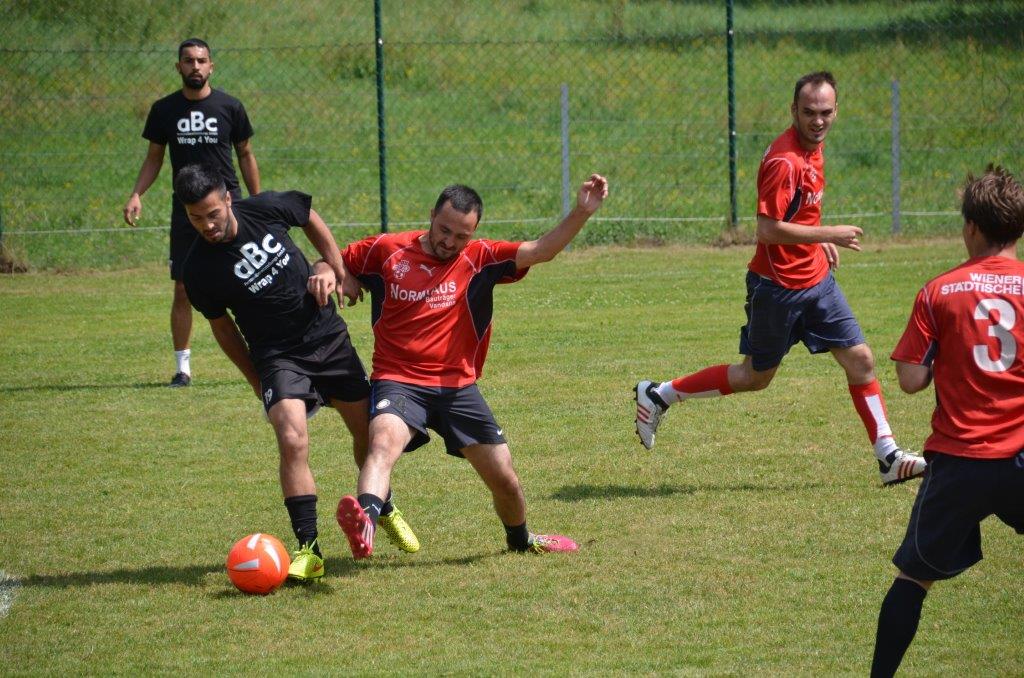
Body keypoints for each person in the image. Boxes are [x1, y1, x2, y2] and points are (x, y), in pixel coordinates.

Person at [634, 71, 926, 485]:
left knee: (861, 360)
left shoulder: (814, 148)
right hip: (777, 289)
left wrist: (816, 243)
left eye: (825, 112)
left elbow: (799, 210)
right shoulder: (784, 161)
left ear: (836, 111)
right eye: (809, 112)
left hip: (817, 283)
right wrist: (828, 235)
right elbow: (767, 230)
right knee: (755, 377)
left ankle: (888, 457)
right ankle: (660, 394)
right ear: (793, 111)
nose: (818, 121)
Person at [333, 175, 609, 559]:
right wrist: (331, 273)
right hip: (399, 380)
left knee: (505, 480)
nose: (449, 242)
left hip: (457, 388)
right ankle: (366, 521)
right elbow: (335, 258)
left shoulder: (480, 257)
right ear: (431, 216)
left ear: (474, 232)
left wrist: (581, 212)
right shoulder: (387, 250)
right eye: (444, 230)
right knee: (381, 444)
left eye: (461, 235)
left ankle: (521, 540)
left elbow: (542, 250)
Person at [172, 164, 419, 581]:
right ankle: (309, 549)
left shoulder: (266, 207)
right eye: (196, 218)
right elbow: (223, 328)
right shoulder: (198, 269)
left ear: (228, 198)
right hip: (277, 356)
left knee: (367, 433)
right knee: (291, 438)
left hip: (326, 337)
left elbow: (309, 217)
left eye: (213, 214)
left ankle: (383, 507)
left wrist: (335, 269)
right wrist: (256, 381)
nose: (207, 225)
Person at [870, 166, 1024, 676]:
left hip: (959, 463)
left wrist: (949, 352)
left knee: (913, 580)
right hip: (1020, 456)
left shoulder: (939, 291)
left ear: (971, 227)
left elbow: (911, 379)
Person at [123, 38, 261, 388]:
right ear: (178, 67)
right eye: (188, 60)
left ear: (211, 66)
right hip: (188, 214)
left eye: (201, 60)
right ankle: (182, 369)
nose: (195, 66)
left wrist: (258, 201)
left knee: (250, 277)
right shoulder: (164, 110)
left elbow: (245, 154)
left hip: (229, 209)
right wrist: (137, 193)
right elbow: (154, 158)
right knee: (184, 287)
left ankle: (264, 352)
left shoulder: (230, 107)